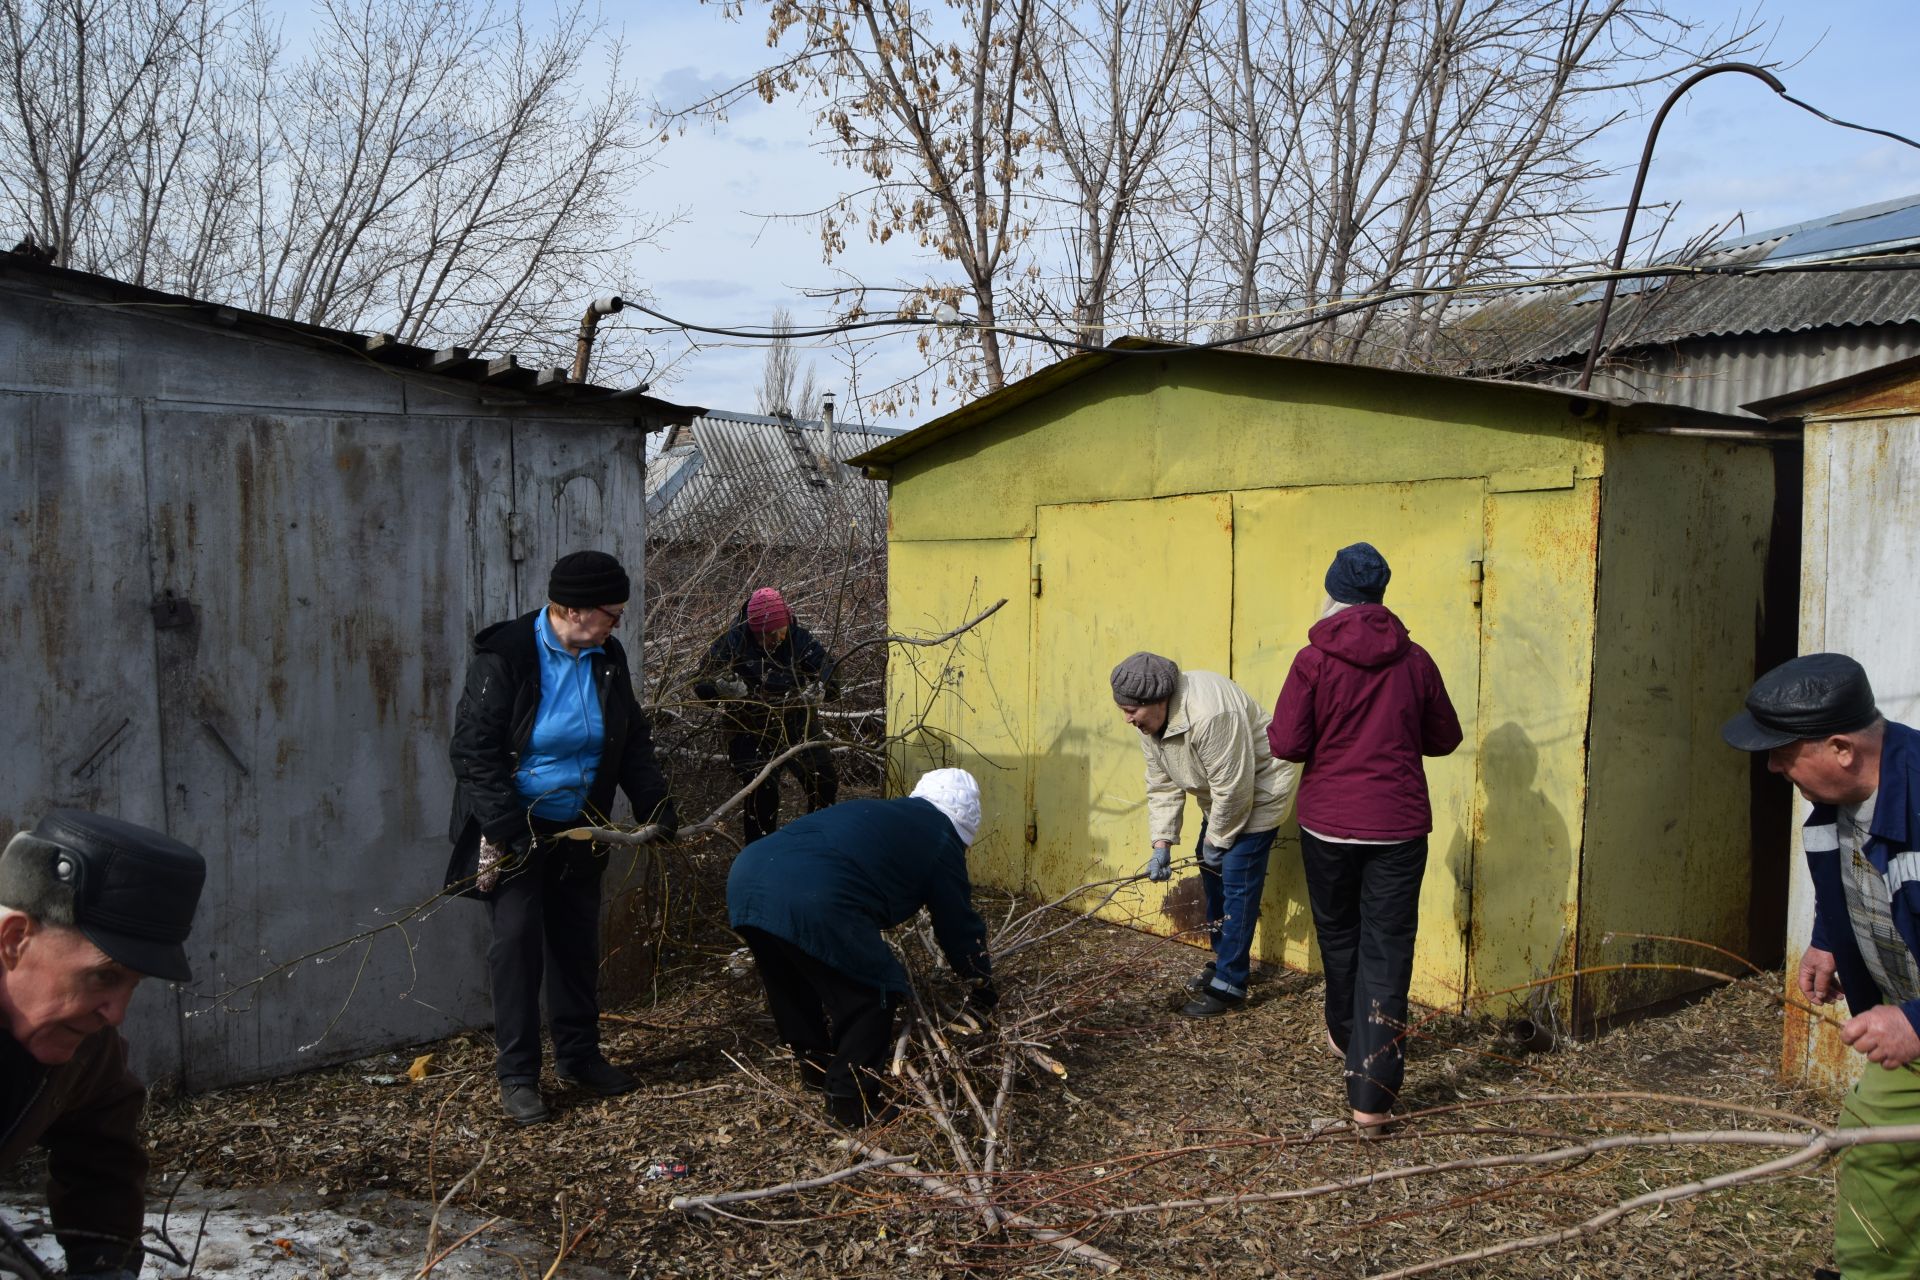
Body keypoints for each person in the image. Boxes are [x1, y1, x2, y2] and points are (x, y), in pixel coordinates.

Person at [447, 550, 679, 1125]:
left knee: (575, 944)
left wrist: (654, 802)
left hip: (583, 822)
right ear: (571, 609)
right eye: (611, 613)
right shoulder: (507, 658)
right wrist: (506, 827)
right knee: (518, 944)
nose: (617, 623)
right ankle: (519, 1075)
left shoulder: (606, 656)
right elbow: (473, 753)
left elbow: (630, 739)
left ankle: (579, 1057)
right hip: (516, 828)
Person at [1722, 653, 1920, 1278]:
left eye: (1784, 750)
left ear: (1840, 747)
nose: (1775, 766)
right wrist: (1829, 937)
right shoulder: (1837, 809)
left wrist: (1915, 1018)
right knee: (1872, 1142)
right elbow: (1855, 878)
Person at [1267, 543, 1461, 1133]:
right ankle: (1370, 1097)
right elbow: (1444, 738)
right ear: (1380, 595)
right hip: (1399, 825)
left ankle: (1348, 1037)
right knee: (1388, 944)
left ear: (1334, 592)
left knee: (1340, 932)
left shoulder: (1311, 660)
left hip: (1329, 823)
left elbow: (1287, 743)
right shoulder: (1416, 659)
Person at [0, 809, 205, 1279]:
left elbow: (101, 1154)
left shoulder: (87, 1046)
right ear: (14, 941)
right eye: (104, 976)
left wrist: (105, 1264)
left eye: (133, 984)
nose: (116, 1012)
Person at [725, 769, 995, 1126]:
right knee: (874, 989)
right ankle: (849, 1101)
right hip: (812, 893)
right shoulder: (940, 838)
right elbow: (957, 925)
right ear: (964, 823)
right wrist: (981, 983)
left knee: (792, 975)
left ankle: (816, 1067)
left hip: (749, 874)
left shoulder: (886, 815)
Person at [1112, 652, 1299, 1018]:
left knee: (1237, 877)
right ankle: (1223, 957)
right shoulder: (1152, 724)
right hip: (1224, 797)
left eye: (1132, 710)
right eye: (1123, 709)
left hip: (1259, 788)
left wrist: (1218, 840)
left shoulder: (1210, 712)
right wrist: (1162, 842)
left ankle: (1231, 982)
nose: (1127, 719)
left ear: (1157, 700)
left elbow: (1236, 789)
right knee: (1210, 866)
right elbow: (1162, 784)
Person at [693, 588, 840, 841]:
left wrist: (822, 688)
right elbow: (701, 679)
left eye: (778, 633)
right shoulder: (735, 639)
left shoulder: (798, 639)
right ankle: (759, 855)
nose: (773, 640)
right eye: (765, 635)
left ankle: (815, 844)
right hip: (748, 725)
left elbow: (829, 667)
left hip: (795, 721)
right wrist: (721, 688)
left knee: (823, 780)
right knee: (761, 790)